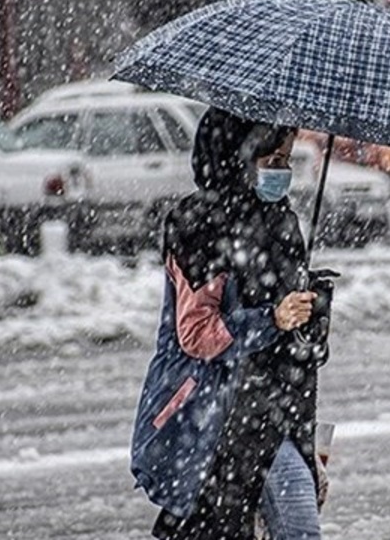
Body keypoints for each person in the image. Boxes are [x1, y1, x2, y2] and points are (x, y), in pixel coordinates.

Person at [131, 107, 333, 540]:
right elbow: (197, 334)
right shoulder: (199, 226)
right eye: (272, 161)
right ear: (235, 158)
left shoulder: (281, 222)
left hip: (273, 408)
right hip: (213, 414)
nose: (282, 173)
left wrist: (310, 312)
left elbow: (293, 343)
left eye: (286, 160)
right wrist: (271, 318)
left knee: (296, 523)